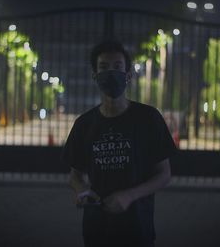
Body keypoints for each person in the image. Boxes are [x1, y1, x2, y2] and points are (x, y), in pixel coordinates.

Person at [61, 40, 176, 247]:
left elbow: (164, 174)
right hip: (96, 230)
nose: (111, 73)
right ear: (94, 76)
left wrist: (130, 196)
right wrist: (82, 192)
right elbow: (74, 176)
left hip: (137, 230)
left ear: (128, 75)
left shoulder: (149, 119)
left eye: (117, 67)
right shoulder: (84, 124)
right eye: (104, 68)